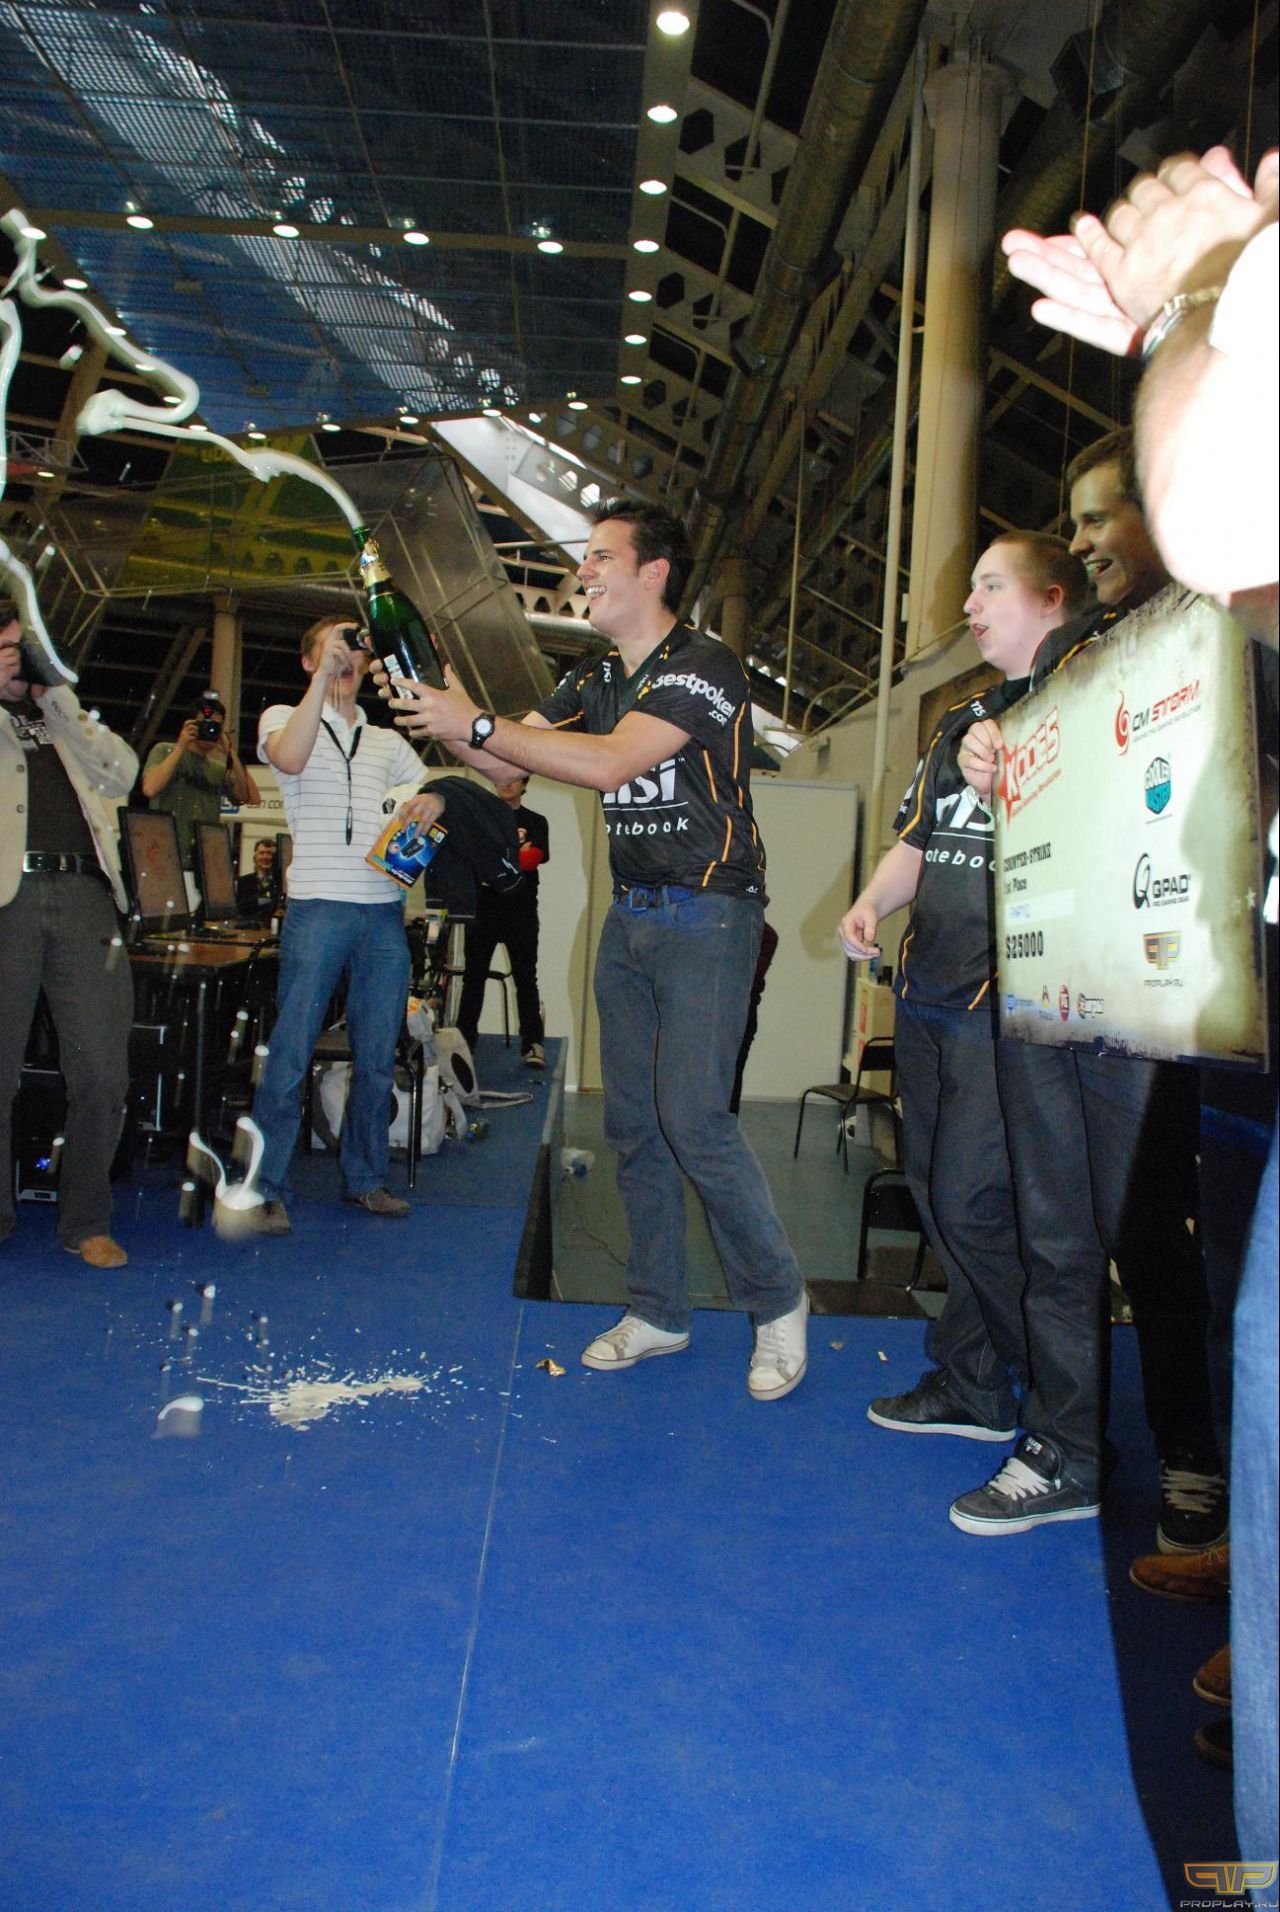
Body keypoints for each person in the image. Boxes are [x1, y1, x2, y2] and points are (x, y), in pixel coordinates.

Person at [1000, 141, 1277, 1879]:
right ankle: (1247, 1560)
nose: (1111, 536)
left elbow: (1227, 507)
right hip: (1222, 1003)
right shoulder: (1149, 630)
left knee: (1199, 1264)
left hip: (1216, 993)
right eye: (1088, 517)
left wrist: (1200, 293)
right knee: (1208, 1270)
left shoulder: (1207, 578)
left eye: (1112, 514)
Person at [378, 500, 809, 1401]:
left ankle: (777, 1303)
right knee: (634, 1125)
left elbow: (611, 763)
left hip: (710, 912)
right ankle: (658, 1309)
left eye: (602, 556)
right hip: (632, 918)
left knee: (695, 1119)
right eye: (586, 557)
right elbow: (508, 765)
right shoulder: (594, 674)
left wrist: (476, 723)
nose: (585, 571)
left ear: (655, 572)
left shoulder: (703, 665)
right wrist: (442, 709)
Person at [952, 430, 1223, 1543]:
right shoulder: (1076, 658)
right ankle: (1064, 1446)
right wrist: (988, 757)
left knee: (1153, 1239)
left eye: (1099, 516)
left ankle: (1193, 1459)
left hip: (1166, 1000)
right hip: (1057, 989)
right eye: (1074, 521)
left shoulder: (1228, 632)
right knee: (1058, 1237)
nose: (1082, 541)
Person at [841, 532, 1088, 1451]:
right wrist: (871, 902)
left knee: (976, 1203)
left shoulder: (1082, 710)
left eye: (992, 587)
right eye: (972, 588)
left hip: (1006, 1006)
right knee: (939, 1197)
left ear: (1052, 598)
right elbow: (919, 839)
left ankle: (1060, 1397)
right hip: (928, 994)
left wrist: (1016, 777)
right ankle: (976, 1381)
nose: (971, 606)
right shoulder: (961, 719)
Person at [234, 617, 445, 1234]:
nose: (347, 657)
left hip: (383, 913)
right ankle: (266, 1186)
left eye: (354, 649)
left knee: (377, 1055)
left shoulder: (386, 742)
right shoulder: (283, 717)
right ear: (309, 661)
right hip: (319, 907)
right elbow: (289, 757)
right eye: (333, 649)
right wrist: (323, 678)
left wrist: (435, 798)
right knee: (291, 1051)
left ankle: (366, 1178)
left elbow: (429, 787)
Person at [0, 615, 137, 1268]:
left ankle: (86, 1220)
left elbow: (122, 775)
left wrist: (56, 694)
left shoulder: (61, 718)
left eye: (22, 647)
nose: (16, 658)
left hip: (86, 895)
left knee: (104, 1071)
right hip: (7, 899)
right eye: (6, 647)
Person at [456, 774, 548, 1068]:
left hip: (521, 911)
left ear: (524, 783)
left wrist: (496, 857)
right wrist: (514, 856)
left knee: (526, 978)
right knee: (473, 977)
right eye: (500, 778)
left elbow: (533, 859)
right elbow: (474, 859)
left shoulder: (536, 821)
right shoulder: (479, 819)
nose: (506, 784)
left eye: (513, 779)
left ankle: (532, 1044)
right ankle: (463, 1043)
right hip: (483, 910)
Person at [140, 690, 259, 868]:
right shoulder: (164, 751)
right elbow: (150, 788)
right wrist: (181, 745)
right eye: (204, 725)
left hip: (204, 860)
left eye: (215, 727)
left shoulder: (218, 770)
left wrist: (231, 752)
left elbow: (250, 798)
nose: (209, 731)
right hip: (164, 854)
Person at [237, 837, 280, 919]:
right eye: (261, 853)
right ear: (255, 857)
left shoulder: (282, 882)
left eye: (269, 853)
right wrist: (261, 900)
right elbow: (240, 907)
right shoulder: (244, 881)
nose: (265, 857)